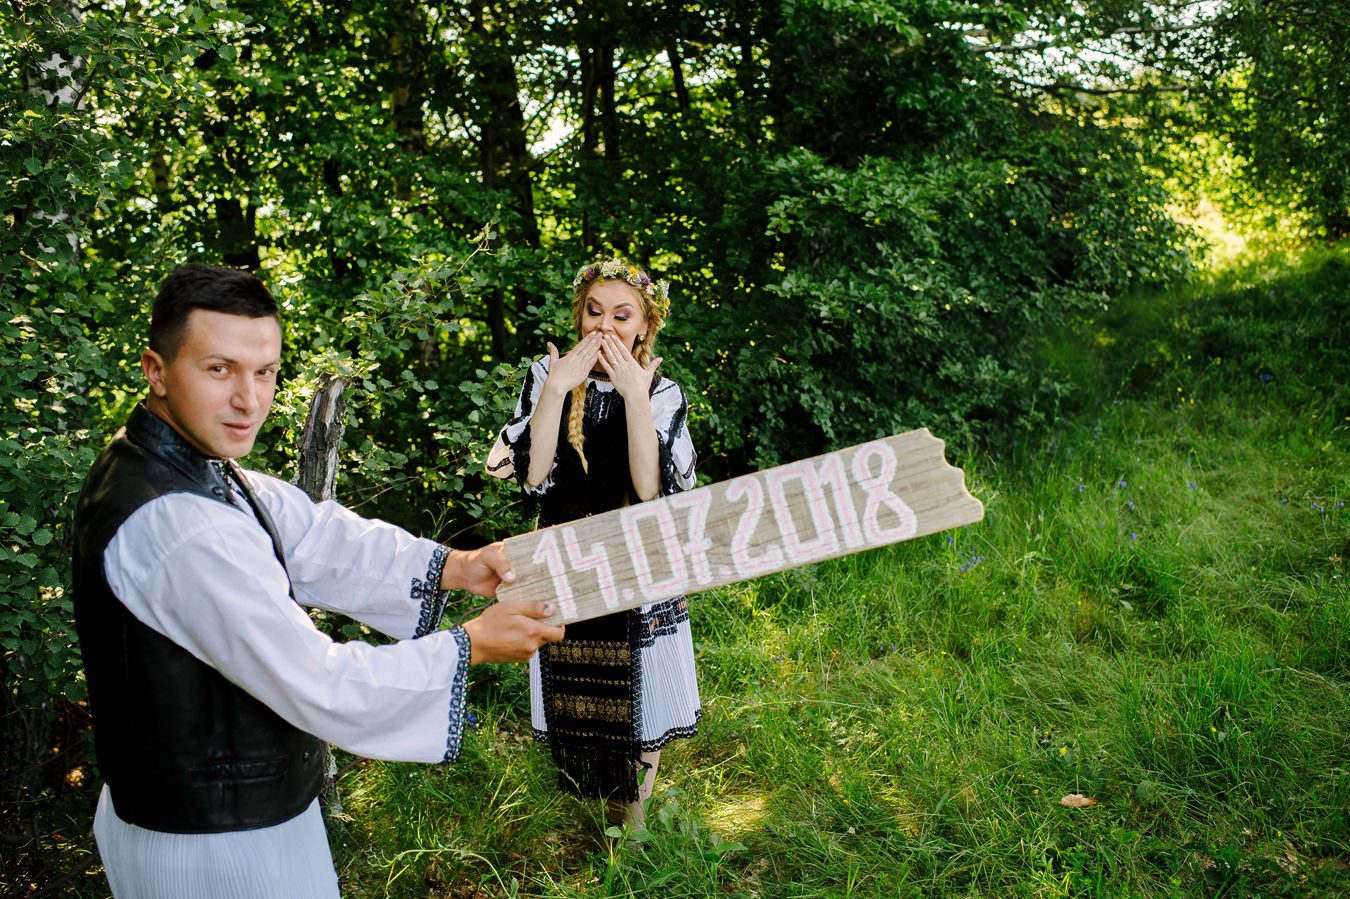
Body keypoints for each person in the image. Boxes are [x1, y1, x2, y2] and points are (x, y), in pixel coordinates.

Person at [71, 263, 564, 898]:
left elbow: (312, 534)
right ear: (156, 371)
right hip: (212, 848)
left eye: (265, 372)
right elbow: (318, 682)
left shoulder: (179, 462)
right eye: (219, 369)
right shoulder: (178, 523)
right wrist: (471, 646)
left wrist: (457, 566)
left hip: (227, 819)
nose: (249, 400)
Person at [487, 257, 700, 832]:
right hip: (564, 556)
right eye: (594, 311)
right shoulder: (547, 374)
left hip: (637, 560)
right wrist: (557, 387)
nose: (604, 326)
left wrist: (635, 395)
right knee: (578, 685)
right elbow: (533, 478)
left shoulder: (662, 391)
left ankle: (632, 828)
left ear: (644, 325)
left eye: (621, 315)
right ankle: (595, 816)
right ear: (579, 316)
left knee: (639, 693)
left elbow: (649, 488)